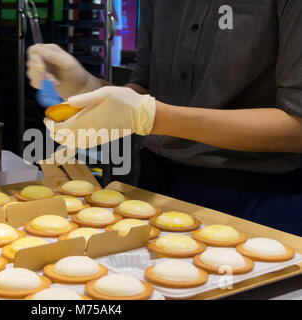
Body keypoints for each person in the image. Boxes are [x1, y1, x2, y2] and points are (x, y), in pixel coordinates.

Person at [26, 1, 302, 236]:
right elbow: (145, 85)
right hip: (155, 185)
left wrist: (152, 116)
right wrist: (87, 89)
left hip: (260, 199)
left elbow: (297, 127)